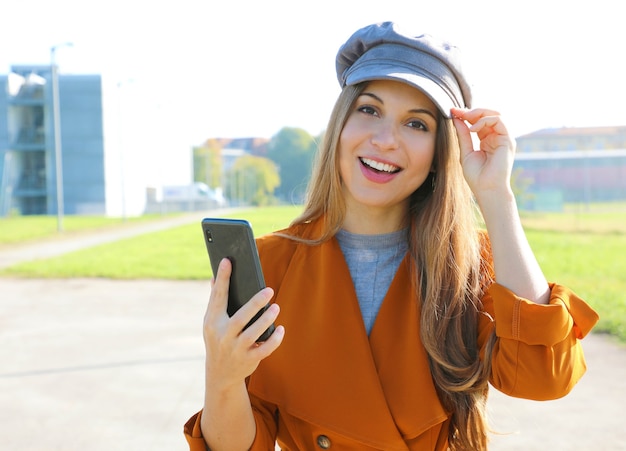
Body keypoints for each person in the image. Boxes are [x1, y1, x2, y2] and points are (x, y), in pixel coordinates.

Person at [184, 21, 599, 450]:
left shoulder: (471, 264)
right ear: (340, 125)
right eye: (369, 110)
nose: (384, 140)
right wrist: (222, 377)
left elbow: (544, 379)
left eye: (416, 124)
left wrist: (496, 195)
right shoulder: (271, 263)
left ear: (441, 151)